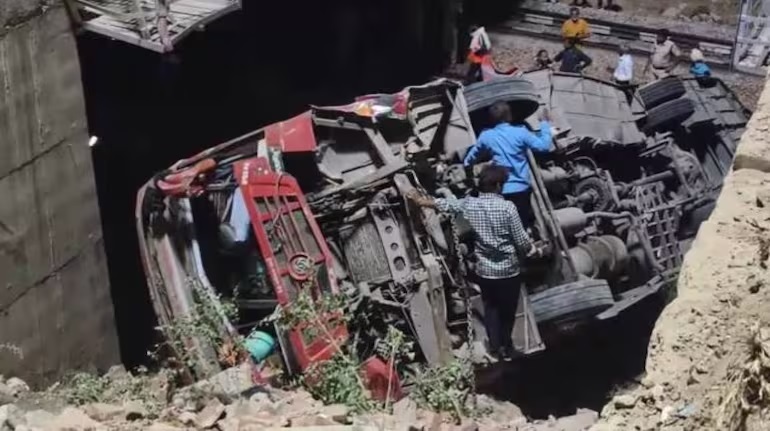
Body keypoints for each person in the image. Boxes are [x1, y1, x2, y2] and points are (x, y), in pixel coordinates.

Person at [406, 165, 540, 360]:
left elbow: (444, 204)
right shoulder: (508, 207)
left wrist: (418, 200)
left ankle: (495, 348)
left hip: (485, 271)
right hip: (509, 271)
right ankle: (507, 345)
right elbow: (521, 240)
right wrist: (533, 250)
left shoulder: (471, 204)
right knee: (507, 311)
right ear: (498, 185)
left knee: (491, 309)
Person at [463, 101, 552, 227]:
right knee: (522, 225)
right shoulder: (521, 132)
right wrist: (544, 124)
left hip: (500, 190)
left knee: (506, 227)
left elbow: (468, 161)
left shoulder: (486, 136)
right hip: (522, 190)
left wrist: (470, 176)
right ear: (509, 116)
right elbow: (544, 147)